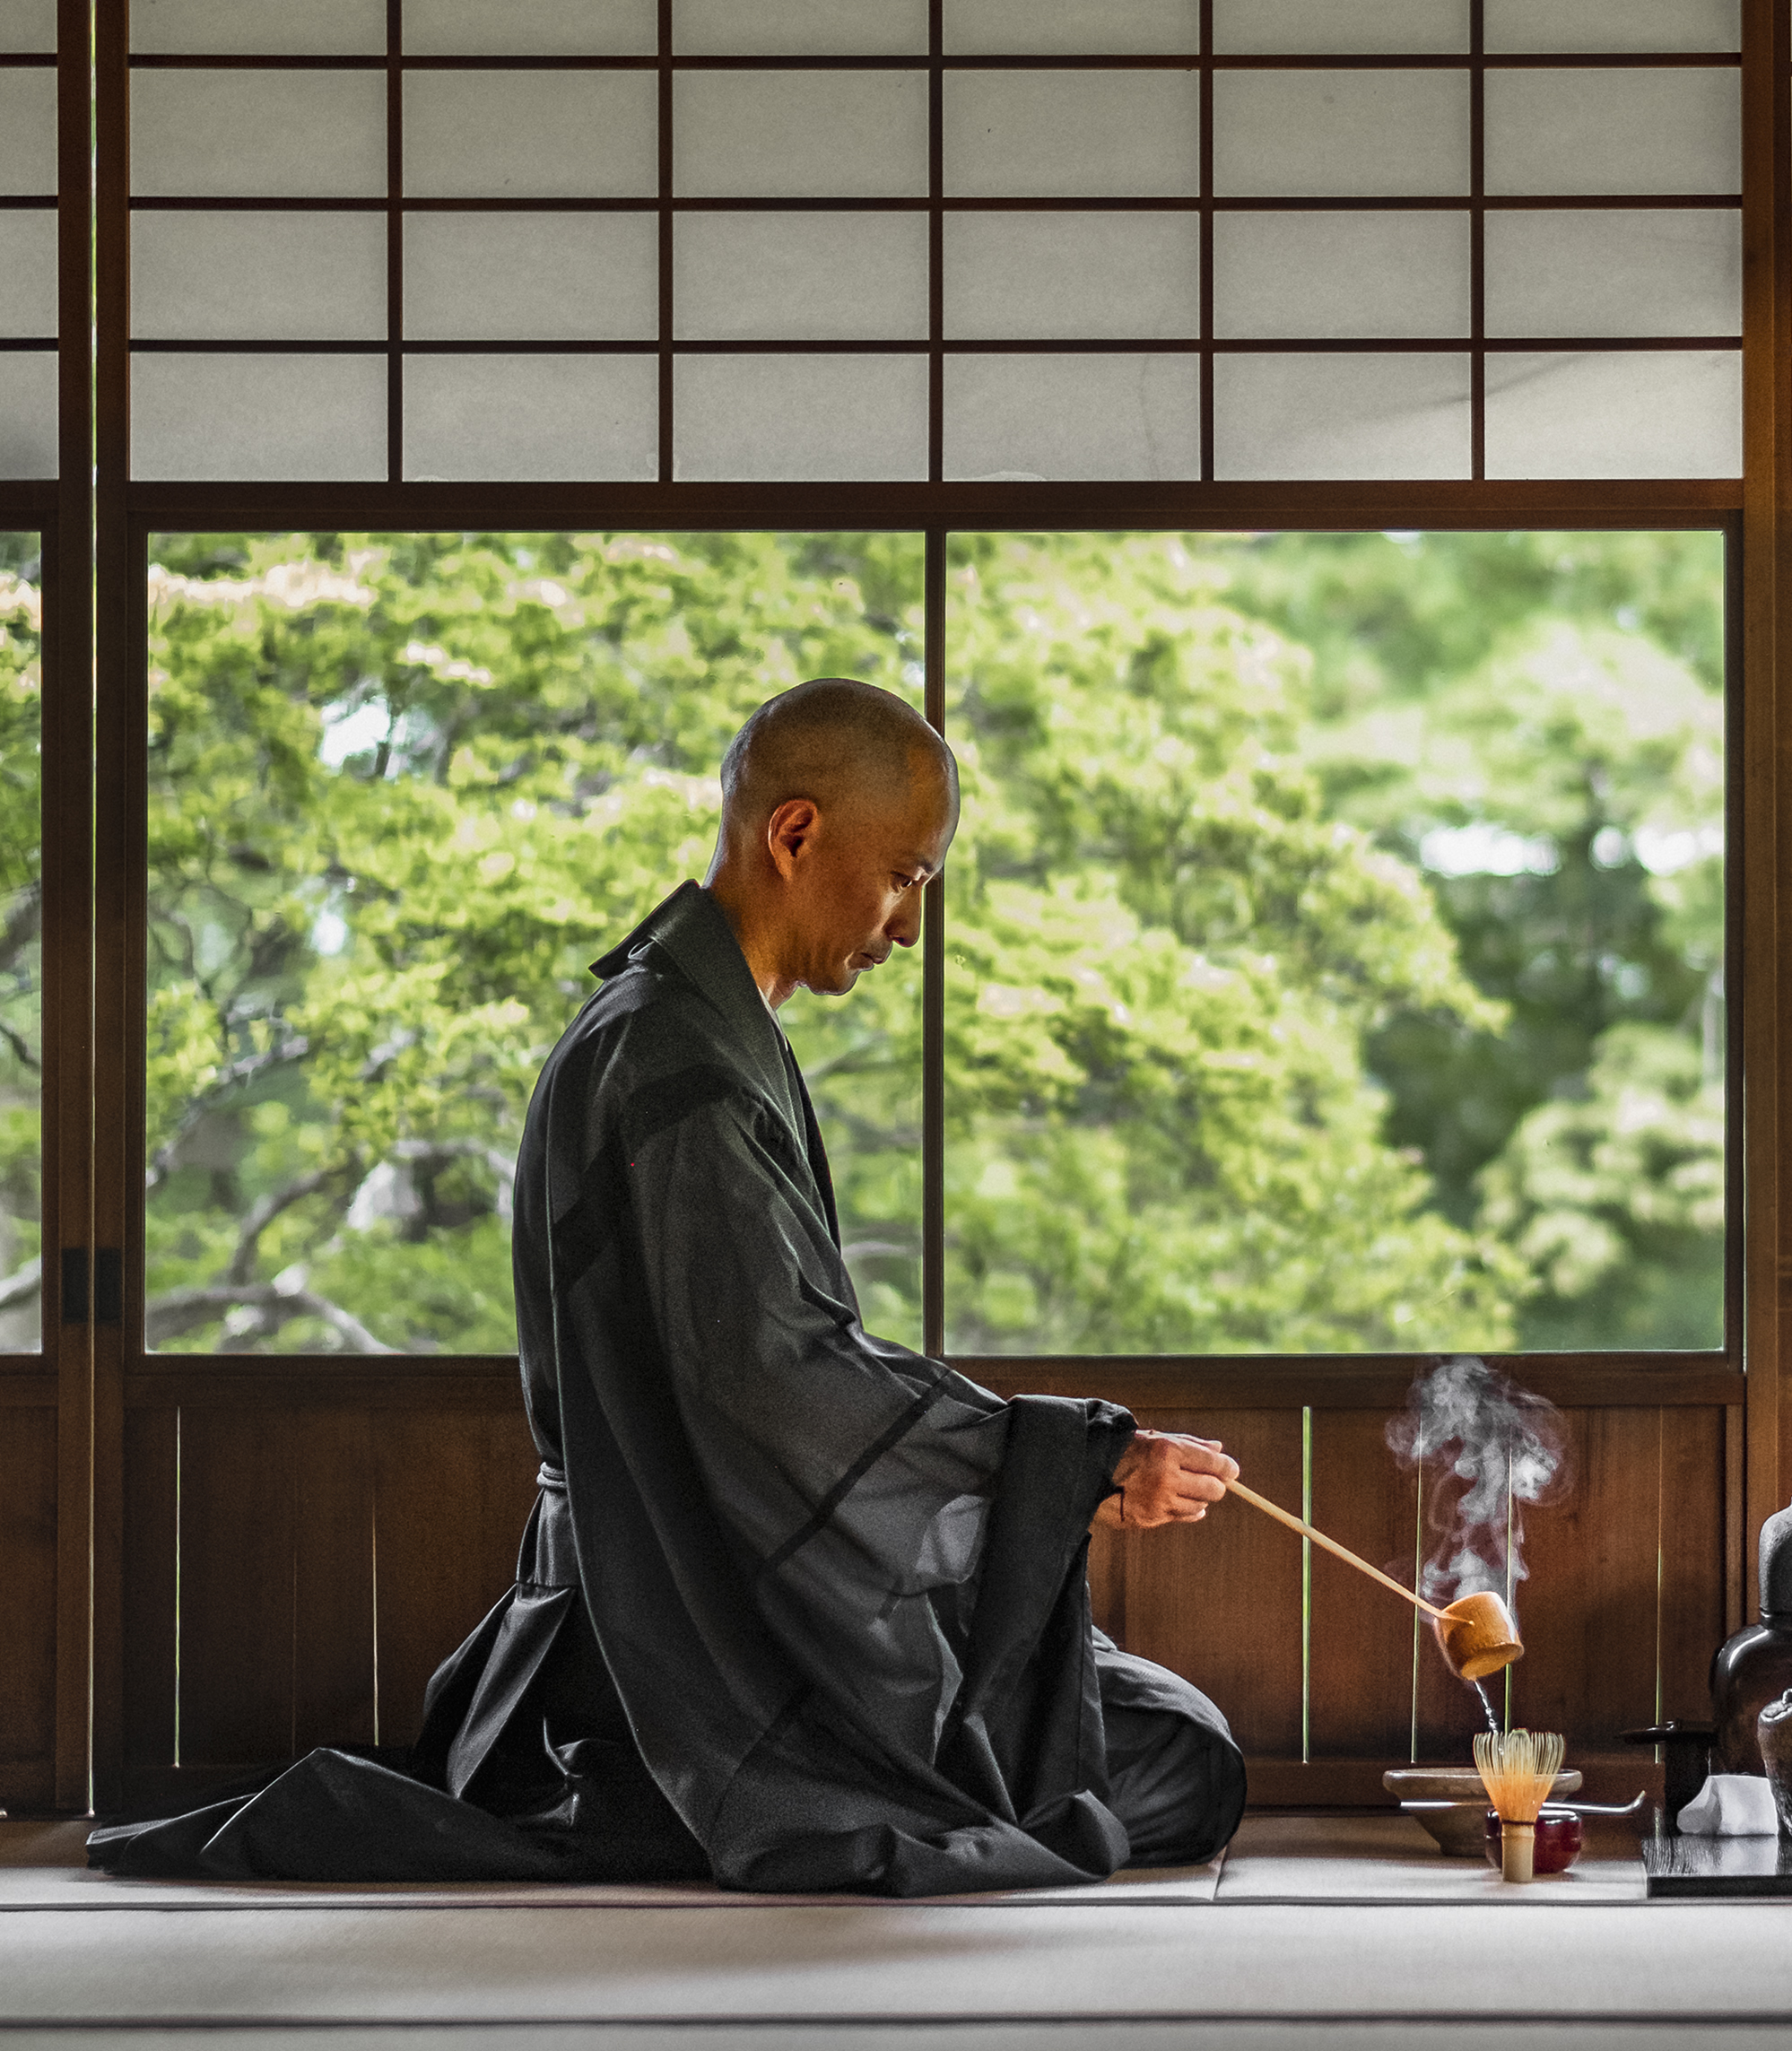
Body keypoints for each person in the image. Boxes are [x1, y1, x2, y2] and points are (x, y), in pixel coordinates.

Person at [91, 679, 1248, 1894]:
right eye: (905, 876)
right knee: (1175, 1765)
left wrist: (1052, 1468)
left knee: (1113, 1710)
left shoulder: (683, 1031)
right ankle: (662, 1797)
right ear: (793, 835)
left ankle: (662, 1795)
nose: (909, 928)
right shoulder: (672, 1061)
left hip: (697, 1585)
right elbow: (773, 1375)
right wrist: (1064, 1459)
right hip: (677, 1631)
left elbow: (777, 1362)